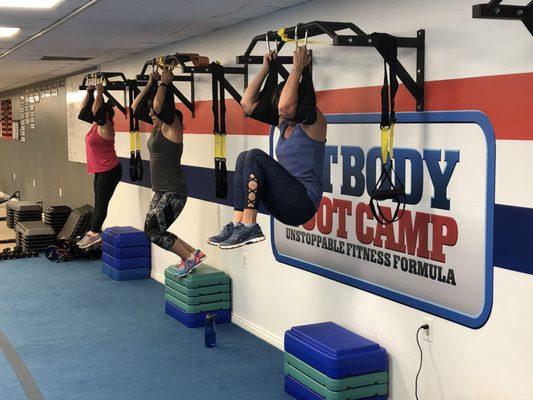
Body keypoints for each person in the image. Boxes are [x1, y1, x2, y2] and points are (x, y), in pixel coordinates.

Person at [208, 46, 327, 250]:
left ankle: (250, 225)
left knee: (255, 156)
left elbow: (285, 107)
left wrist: (298, 68)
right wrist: (265, 69)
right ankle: (238, 224)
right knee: (244, 157)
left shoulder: (313, 123)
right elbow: (246, 103)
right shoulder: (284, 123)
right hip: (285, 204)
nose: (279, 112)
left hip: (303, 203)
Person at [132, 69, 206, 276]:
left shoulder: (172, 127)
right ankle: (193, 253)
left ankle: (189, 258)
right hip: (161, 191)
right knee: (154, 230)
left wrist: (165, 84)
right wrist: (150, 83)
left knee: (153, 232)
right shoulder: (157, 127)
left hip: (174, 192)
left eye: (154, 113)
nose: (150, 115)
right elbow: (136, 108)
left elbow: (159, 106)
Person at [77, 83, 122, 249]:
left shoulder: (106, 127)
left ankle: (94, 234)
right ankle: (93, 232)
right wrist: (90, 93)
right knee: (98, 201)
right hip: (101, 170)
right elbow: (83, 112)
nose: (93, 114)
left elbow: (97, 110)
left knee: (102, 202)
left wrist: (100, 92)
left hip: (110, 170)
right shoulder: (96, 125)